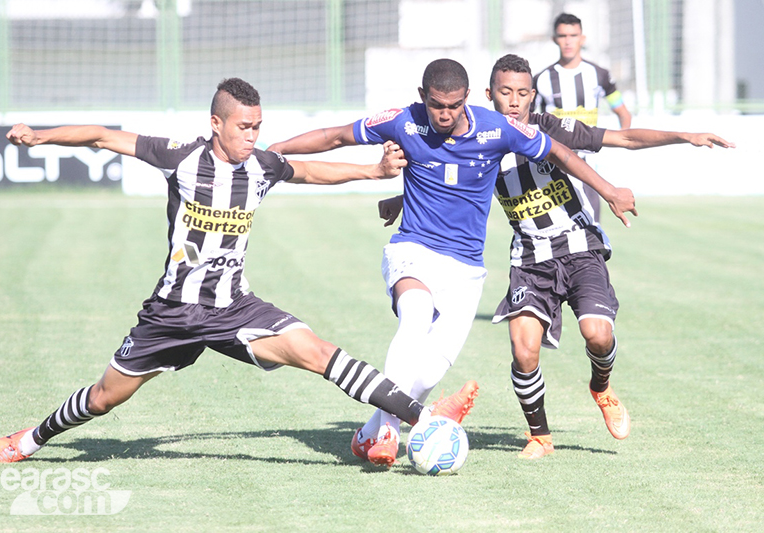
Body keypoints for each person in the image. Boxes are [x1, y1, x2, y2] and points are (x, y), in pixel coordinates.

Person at [0, 78, 479, 465]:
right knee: (105, 398)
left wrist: (372, 171)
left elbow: (308, 171)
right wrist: (40, 137)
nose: (252, 136)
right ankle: (27, 441)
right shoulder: (180, 157)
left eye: (257, 126)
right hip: (171, 313)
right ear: (216, 123)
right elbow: (104, 136)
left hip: (234, 308)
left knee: (318, 352)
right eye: (243, 127)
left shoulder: (262, 165)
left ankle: (423, 419)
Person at [267, 59, 637, 467]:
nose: (445, 114)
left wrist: (609, 190)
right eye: (436, 105)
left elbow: (559, 152)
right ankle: (390, 432)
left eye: (454, 106)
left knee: (429, 371)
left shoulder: (497, 129)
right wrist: (276, 148)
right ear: (422, 96)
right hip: (413, 249)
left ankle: (369, 433)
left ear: (467, 98)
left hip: (465, 268)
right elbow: (335, 136)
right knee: (416, 313)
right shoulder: (402, 121)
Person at [382, 54, 733, 459]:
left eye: (522, 93)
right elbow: (449, 184)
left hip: (579, 246)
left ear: (532, 95)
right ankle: (540, 436)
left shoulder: (551, 129)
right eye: (505, 92)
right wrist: (401, 201)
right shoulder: (481, 136)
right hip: (530, 257)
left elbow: (624, 138)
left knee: (597, 335)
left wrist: (685, 136)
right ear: (489, 94)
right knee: (523, 349)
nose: (514, 100)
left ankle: (601, 386)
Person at [534, 12, 633, 222]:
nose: (568, 41)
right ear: (554, 39)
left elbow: (623, 112)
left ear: (582, 38)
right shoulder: (541, 80)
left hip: (589, 163)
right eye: (563, 36)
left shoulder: (600, 75)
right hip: (553, 163)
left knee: (591, 222)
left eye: (573, 35)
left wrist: (623, 139)